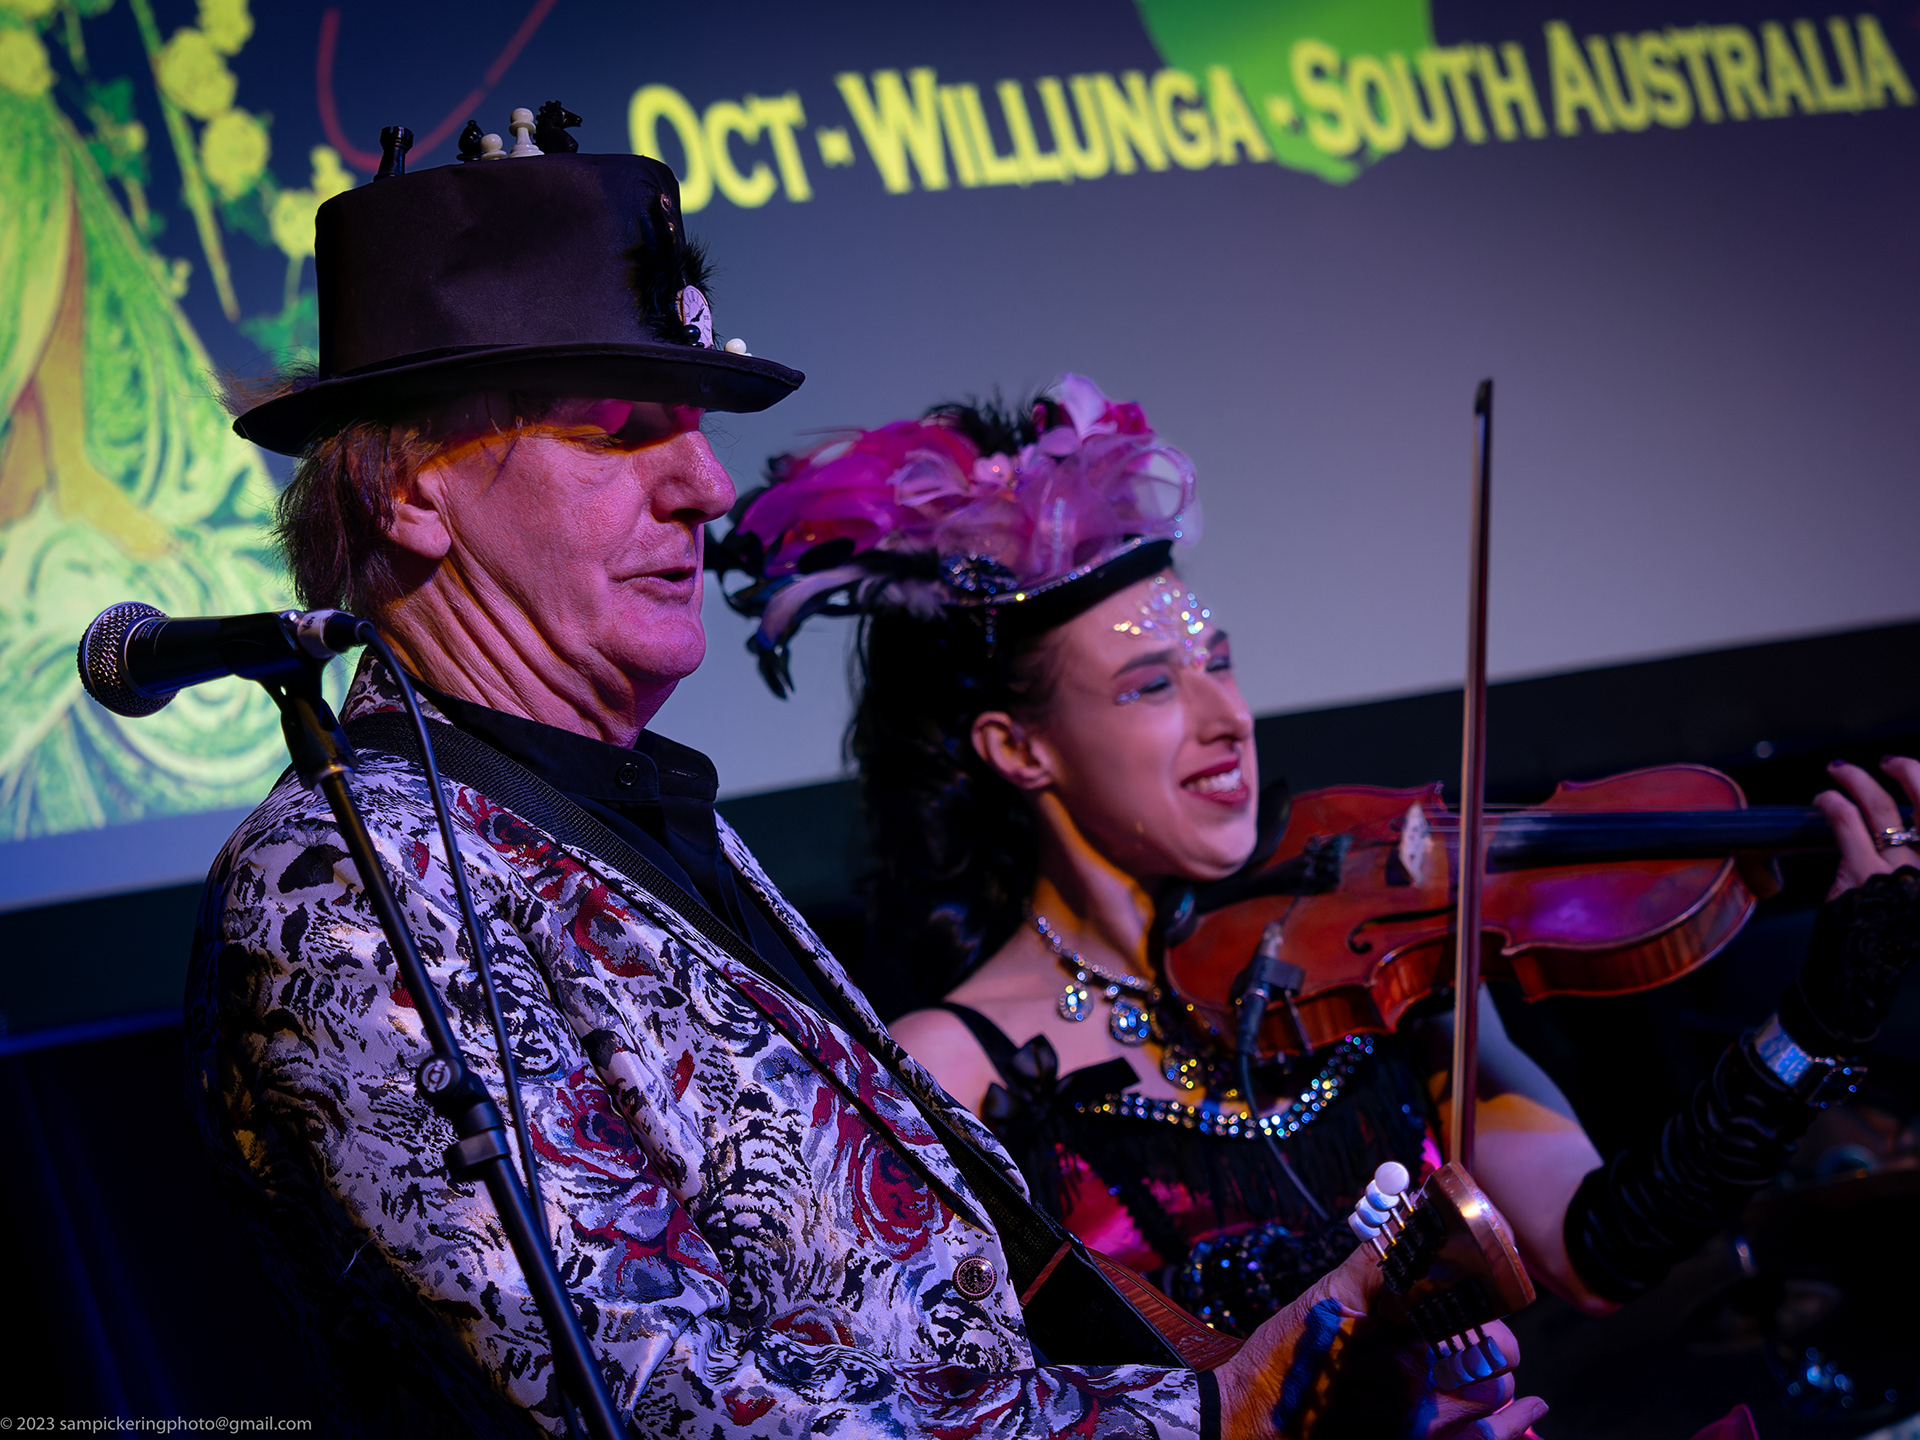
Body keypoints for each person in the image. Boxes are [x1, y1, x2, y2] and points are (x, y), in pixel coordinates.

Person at [184, 142, 1543, 1438]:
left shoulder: (640, 815)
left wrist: (1316, 1391)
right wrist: (1218, 1416)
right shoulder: (334, 884)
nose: (706, 483)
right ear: (412, 489)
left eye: (694, 425)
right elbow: (654, 1399)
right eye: (618, 427)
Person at [713, 376, 1920, 1336]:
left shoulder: (1375, 968)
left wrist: (1818, 1022)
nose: (1227, 718)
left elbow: (1599, 1251)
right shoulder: (954, 1069)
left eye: (1220, 664)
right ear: (1017, 747)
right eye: (1151, 686)